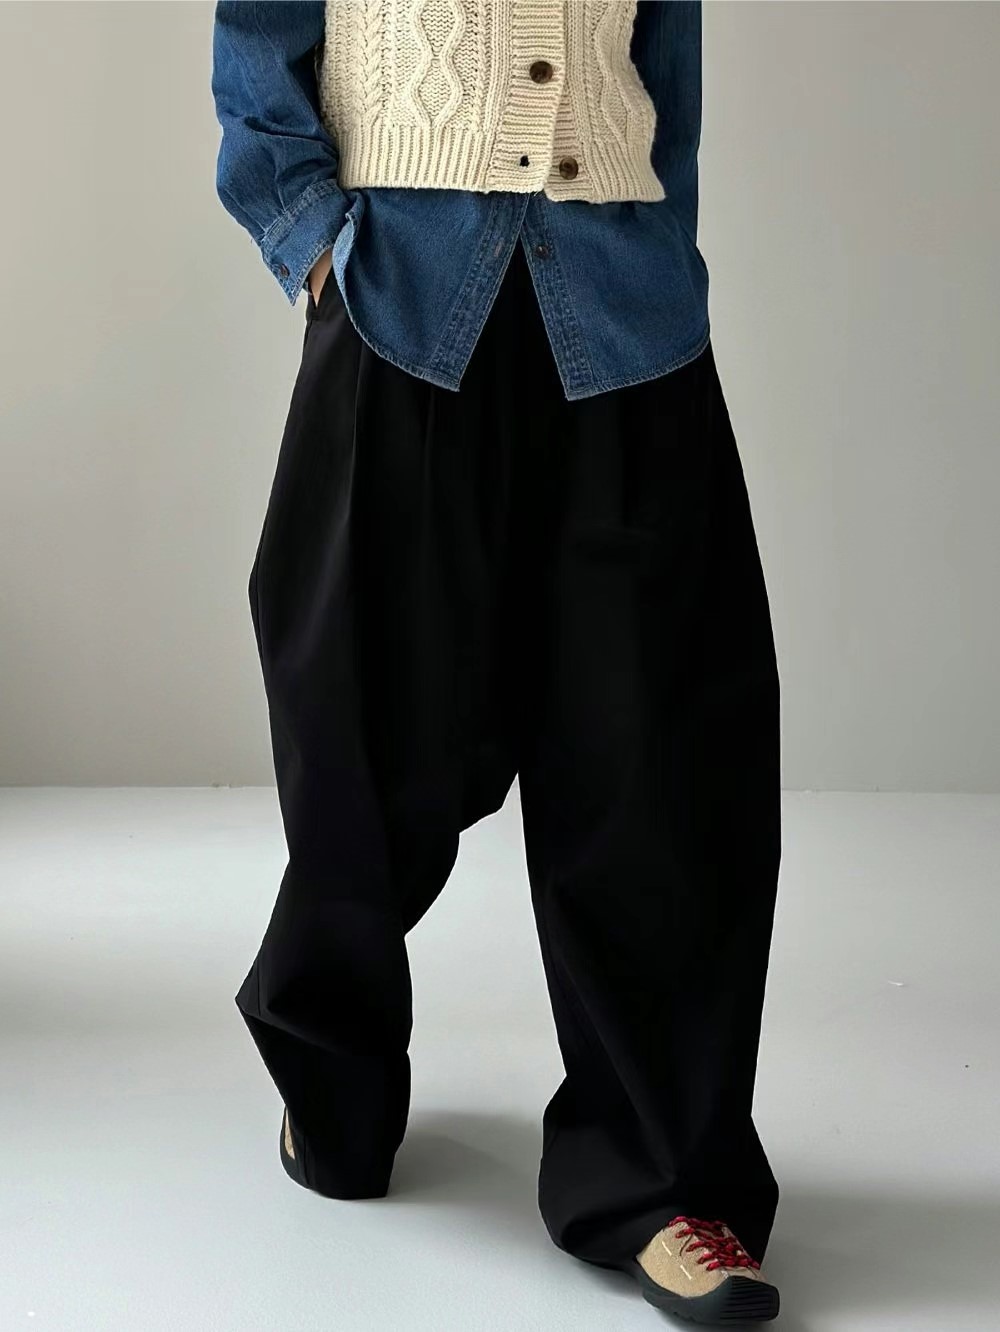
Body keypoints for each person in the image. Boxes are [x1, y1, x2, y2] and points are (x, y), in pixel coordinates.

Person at [211, 2, 783, 1324]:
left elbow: (667, 59)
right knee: (364, 736)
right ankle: (331, 1070)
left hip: (625, 312)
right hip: (399, 298)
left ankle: (662, 1183)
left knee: (662, 759)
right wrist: (313, 245)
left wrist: (663, 252)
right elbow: (259, 37)